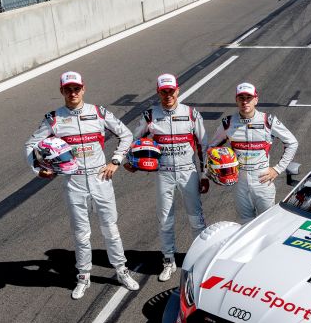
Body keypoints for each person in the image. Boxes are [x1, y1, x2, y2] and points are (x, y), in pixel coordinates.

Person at [25, 71, 139, 299]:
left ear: (83, 89)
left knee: (111, 229)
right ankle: (83, 276)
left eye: (76, 88)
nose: (73, 92)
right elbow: (31, 145)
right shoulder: (53, 118)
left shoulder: (98, 112)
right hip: (74, 181)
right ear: (62, 91)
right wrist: (39, 168)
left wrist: (116, 161)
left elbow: (126, 135)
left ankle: (121, 270)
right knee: (81, 233)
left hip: (100, 179)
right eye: (68, 89)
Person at [126, 74, 208, 282]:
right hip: (163, 172)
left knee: (196, 218)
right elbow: (135, 141)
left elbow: (203, 146)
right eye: (164, 91)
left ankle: (201, 259)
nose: (168, 95)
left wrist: (204, 174)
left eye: (171, 91)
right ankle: (169, 261)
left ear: (177, 90)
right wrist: (133, 161)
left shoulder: (191, 114)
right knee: (165, 220)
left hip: (188, 171)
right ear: (158, 92)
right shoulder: (149, 115)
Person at [208, 82, 299, 222]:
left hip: (262, 179)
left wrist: (277, 169)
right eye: (241, 98)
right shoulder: (228, 123)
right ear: (236, 100)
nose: (245, 102)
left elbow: (292, 142)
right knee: (245, 224)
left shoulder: (268, 120)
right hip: (239, 182)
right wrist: (216, 168)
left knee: (266, 224)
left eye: (248, 98)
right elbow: (212, 148)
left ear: (256, 99)